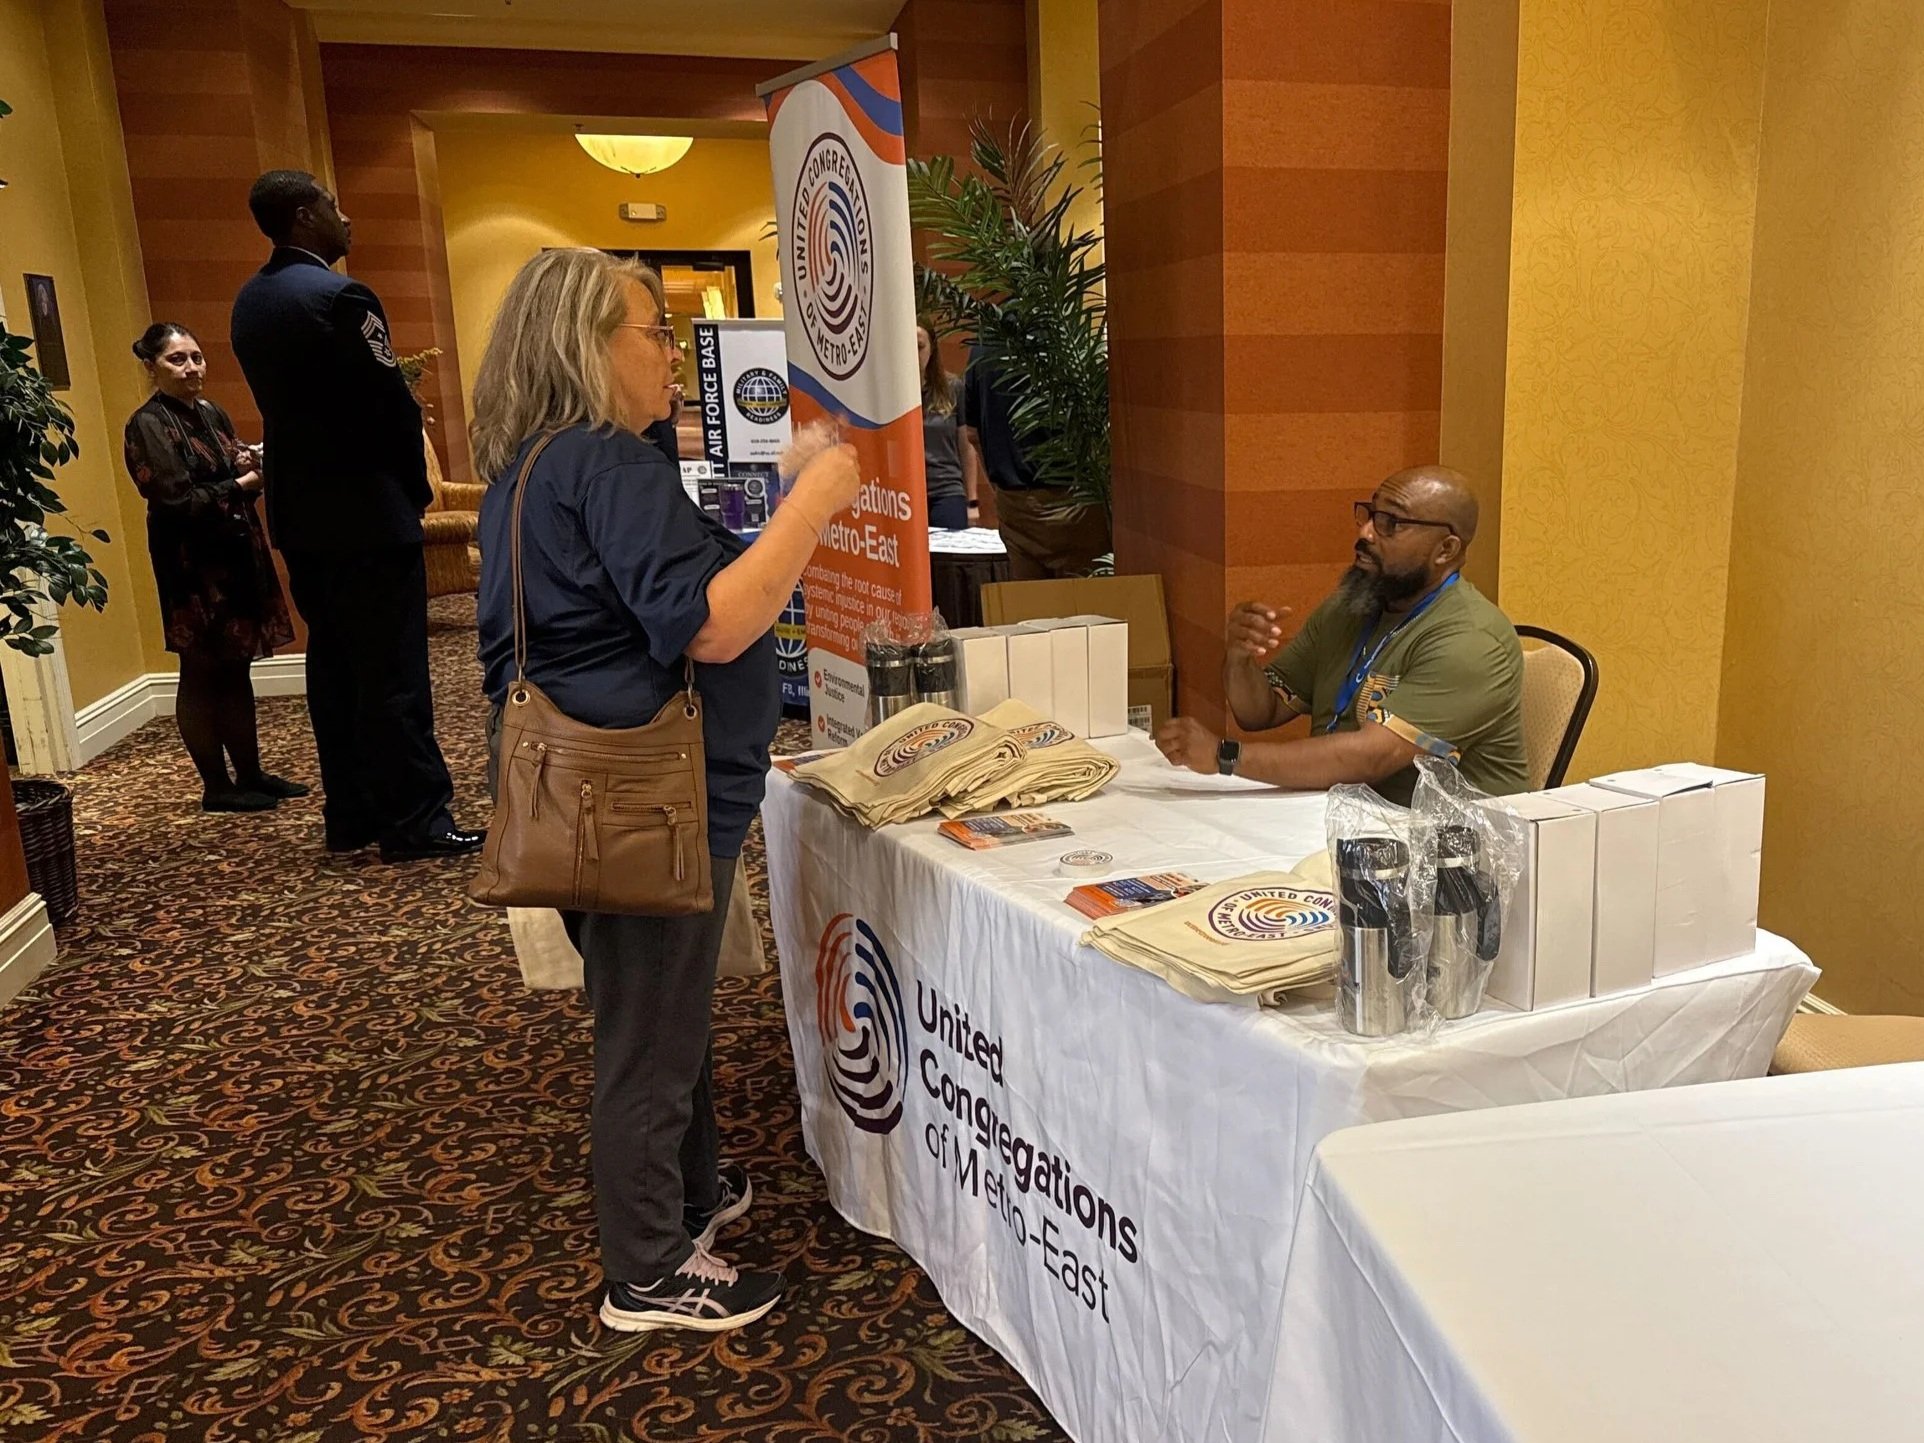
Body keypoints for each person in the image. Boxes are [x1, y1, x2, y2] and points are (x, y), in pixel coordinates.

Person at [470, 249, 861, 1335]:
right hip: (640, 797)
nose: (673, 363)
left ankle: (692, 1193)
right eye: (653, 334)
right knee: (647, 1035)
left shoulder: (539, 464)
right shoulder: (605, 463)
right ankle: (647, 1269)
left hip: (594, 790)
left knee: (661, 1016)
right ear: (588, 344)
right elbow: (713, 622)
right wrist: (816, 502)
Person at [230, 170, 482, 862]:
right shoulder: (342, 297)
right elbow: (388, 407)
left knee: (334, 671)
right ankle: (418, 821)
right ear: (308, 216)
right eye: (336, 209)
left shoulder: (250, 300)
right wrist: (413, 490)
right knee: (394, 676)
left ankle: (353, 816)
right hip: (368, 515)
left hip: (302, 516)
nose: (349, 221)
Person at [1155, 466, 1526, 804]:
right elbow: (1261, 710)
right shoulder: (1350, 608)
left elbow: (1371, 756)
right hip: (1338, 818)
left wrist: (1225, 756)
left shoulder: (1472, 640)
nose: (1365, 532)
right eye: (1369, 514)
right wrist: (1239, 656)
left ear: (1446, 549)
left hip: (1441, 849)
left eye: (1391, 522)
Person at [121, 323, 306, 812]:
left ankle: (250, 773)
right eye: (177, 360)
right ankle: (216, 786)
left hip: (237, 555)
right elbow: (175, 499)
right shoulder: (148, 424)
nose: (192, 368)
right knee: (201, 670)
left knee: (238, 665)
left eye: (197, 357)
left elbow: (231, 466)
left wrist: (250, 465)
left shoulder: (210, 412)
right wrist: (241, 484)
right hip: (191, 566)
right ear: (151, 367)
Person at [959, 346, 1110, 578]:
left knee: (1030, 608)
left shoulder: (982, 346)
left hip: (1015, 504)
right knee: (1089, 606)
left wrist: (998, 490)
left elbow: (972, 434)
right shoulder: (1061, 335)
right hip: (1074, 503)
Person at [916, 323, 975, 530]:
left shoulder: (952, 388)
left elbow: (966, 446)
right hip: (908, 493)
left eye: (920, 347)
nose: (915, 355)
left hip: (947, 490)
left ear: (932, 348)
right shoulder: (892, 393)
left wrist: (973, 502)